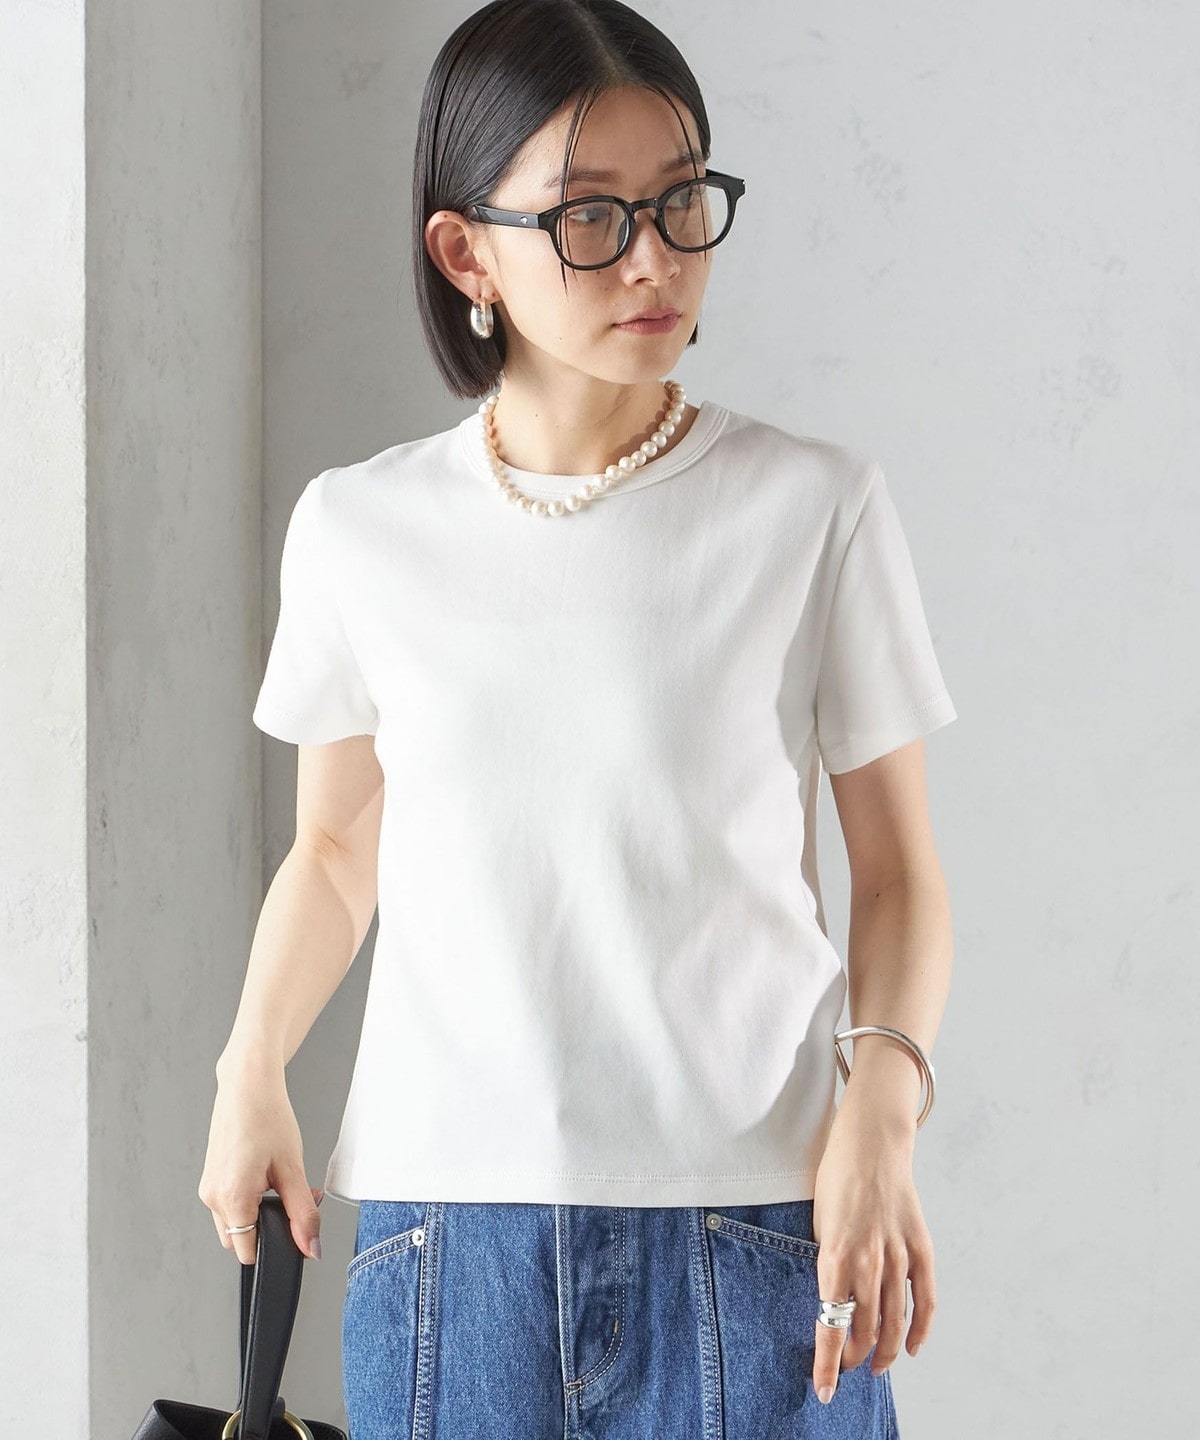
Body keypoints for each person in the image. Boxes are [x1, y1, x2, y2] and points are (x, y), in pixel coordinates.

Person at [199, 1, 957, 1434]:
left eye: (681, 201)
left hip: (753, 1228)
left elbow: (901, 874)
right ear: (465, 253)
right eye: (591, 218)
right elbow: (338, 852)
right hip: (448, 1248)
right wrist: (252, 1068)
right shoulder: (359, 528)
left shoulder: (816, 509)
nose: (656, 258)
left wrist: (882, 1113)